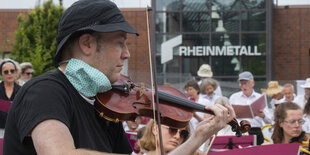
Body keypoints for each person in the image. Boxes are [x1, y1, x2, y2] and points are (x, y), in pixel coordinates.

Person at [3, 0, 236, 154]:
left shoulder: (104, 105)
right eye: (119, 43)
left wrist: (198, 137)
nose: (127, 53)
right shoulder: (44, 91)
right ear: (87, 43)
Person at [229, 71, 272, 145]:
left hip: (256, 131)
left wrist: (263, 115)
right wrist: (234, 116)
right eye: (241, 83)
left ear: (252, 83)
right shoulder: (234, 97)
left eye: (245, 83)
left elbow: (270, 120)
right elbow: (228, 117)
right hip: (240, 131)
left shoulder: (260, 98)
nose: (243, 86)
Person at [0, 59, 21, 137]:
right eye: (6, 72)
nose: (9, 74)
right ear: (2, 74)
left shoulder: (22, 91)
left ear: (16, 73)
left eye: (12, 71)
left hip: (16, 131)